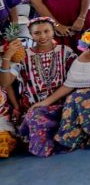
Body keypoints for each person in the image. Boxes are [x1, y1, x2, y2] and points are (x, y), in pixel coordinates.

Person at [4, 18, 76, 157]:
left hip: (64, 104)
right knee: (35, 116)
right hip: (35, 107)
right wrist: (7, 56)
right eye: (37, 33)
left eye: (46, 31)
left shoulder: (65, 51)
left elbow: (75, 80)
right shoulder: (23, 56)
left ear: (53, 32)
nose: (42, 36)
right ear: (31, 35)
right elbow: (5, 82)